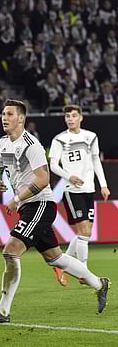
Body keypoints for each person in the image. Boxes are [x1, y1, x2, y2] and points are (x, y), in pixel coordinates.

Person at [0, 100, 110, 324]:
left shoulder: (32, 145)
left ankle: (3, 311)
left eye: (9, 114)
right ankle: (99, 284)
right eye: (2, 114)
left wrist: (16, 198)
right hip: (28, 207)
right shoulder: (1, 144)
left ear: (21, 118)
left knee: (11, 251)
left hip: (41, 205)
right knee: (55, 258)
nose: (4, 118)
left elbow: (43, 179)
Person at [48, 105, 110, 285]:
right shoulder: (60, 139)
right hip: (72, 190)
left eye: (74, 115)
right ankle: (84, 272)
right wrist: (69, 176)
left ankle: (62, 264)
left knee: (86, 232)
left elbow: (96, 160)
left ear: (81, 118)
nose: (70, 119)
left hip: (89, 189)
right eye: (67, 116)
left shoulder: (91, 137)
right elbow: (53, 164)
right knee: (84, 232)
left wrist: (103, 185)